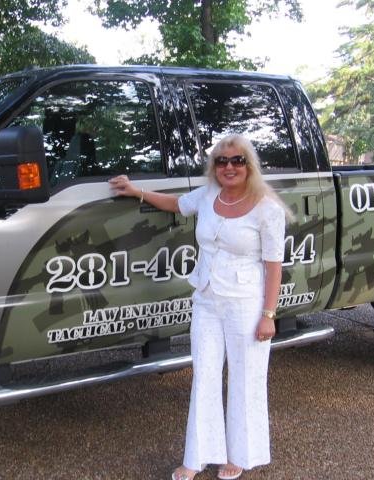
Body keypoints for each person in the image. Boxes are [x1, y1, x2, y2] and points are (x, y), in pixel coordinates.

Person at [109, 134, 286, 480]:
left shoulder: (267, 209)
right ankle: (197, 457)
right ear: (214, 167)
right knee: (204, 374)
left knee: (245, 378)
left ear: (249, 165)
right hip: (206, 299)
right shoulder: (207, 195)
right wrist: (136, 191)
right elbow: (176, 204)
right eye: (222, 161)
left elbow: (273, 265)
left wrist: (268, 315)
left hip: (246, 304)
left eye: (237, 160)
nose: (229, 167)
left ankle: (239, 455)